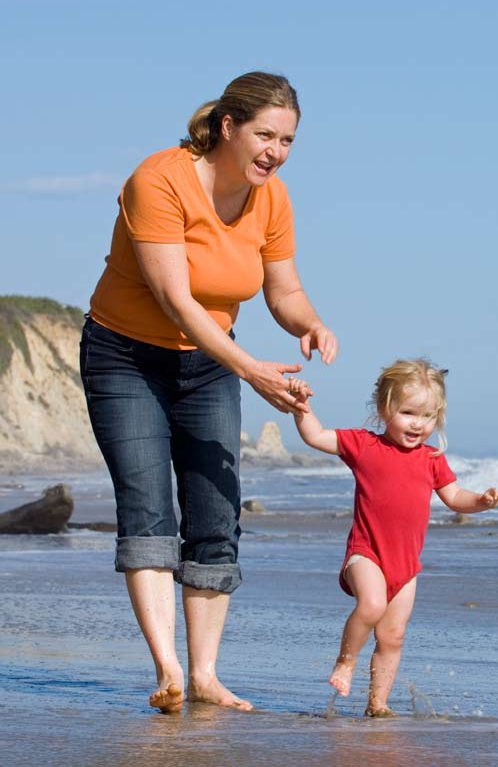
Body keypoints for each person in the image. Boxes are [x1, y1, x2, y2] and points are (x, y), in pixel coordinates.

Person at [80, 71, 337, 713]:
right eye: (265, 135)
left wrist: (309, 322)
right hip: (125, 359)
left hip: (210, 365)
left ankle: (204, 675)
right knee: (148, 507)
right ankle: (167, 671)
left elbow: (282, 289)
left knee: (217, 516)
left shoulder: (272, 199)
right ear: (228, 126)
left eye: (287, 141)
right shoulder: (158, 179)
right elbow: (175, 298)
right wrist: (250, 368)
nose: (275, 151)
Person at [289, 359, 498, 716]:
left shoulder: (432, 459)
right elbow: (316, 436)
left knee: (393, 637)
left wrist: (482, 501)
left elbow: (455, 498)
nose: (418, 424)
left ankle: (378, 702)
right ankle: (346, 662)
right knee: (371, 606)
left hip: (406, 568)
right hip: (366, 555)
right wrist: (302, 409)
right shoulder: (363, 446)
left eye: (428, 416)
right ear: (384, 408)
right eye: (408, 412)